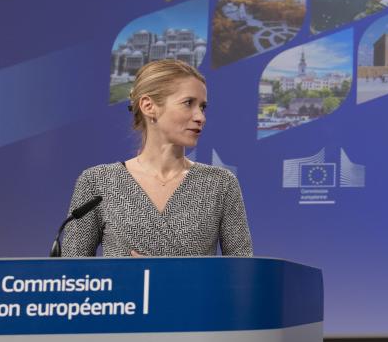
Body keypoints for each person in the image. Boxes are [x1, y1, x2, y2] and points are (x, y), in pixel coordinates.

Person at [62, 59, 253, 257]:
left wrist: (166, 277)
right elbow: (71, 277)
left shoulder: (220, 184)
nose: (200, 117)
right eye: (188, 103)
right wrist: (123, 277)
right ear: (148, 106)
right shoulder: (97, 182)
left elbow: (242, 276)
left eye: (202, 107)